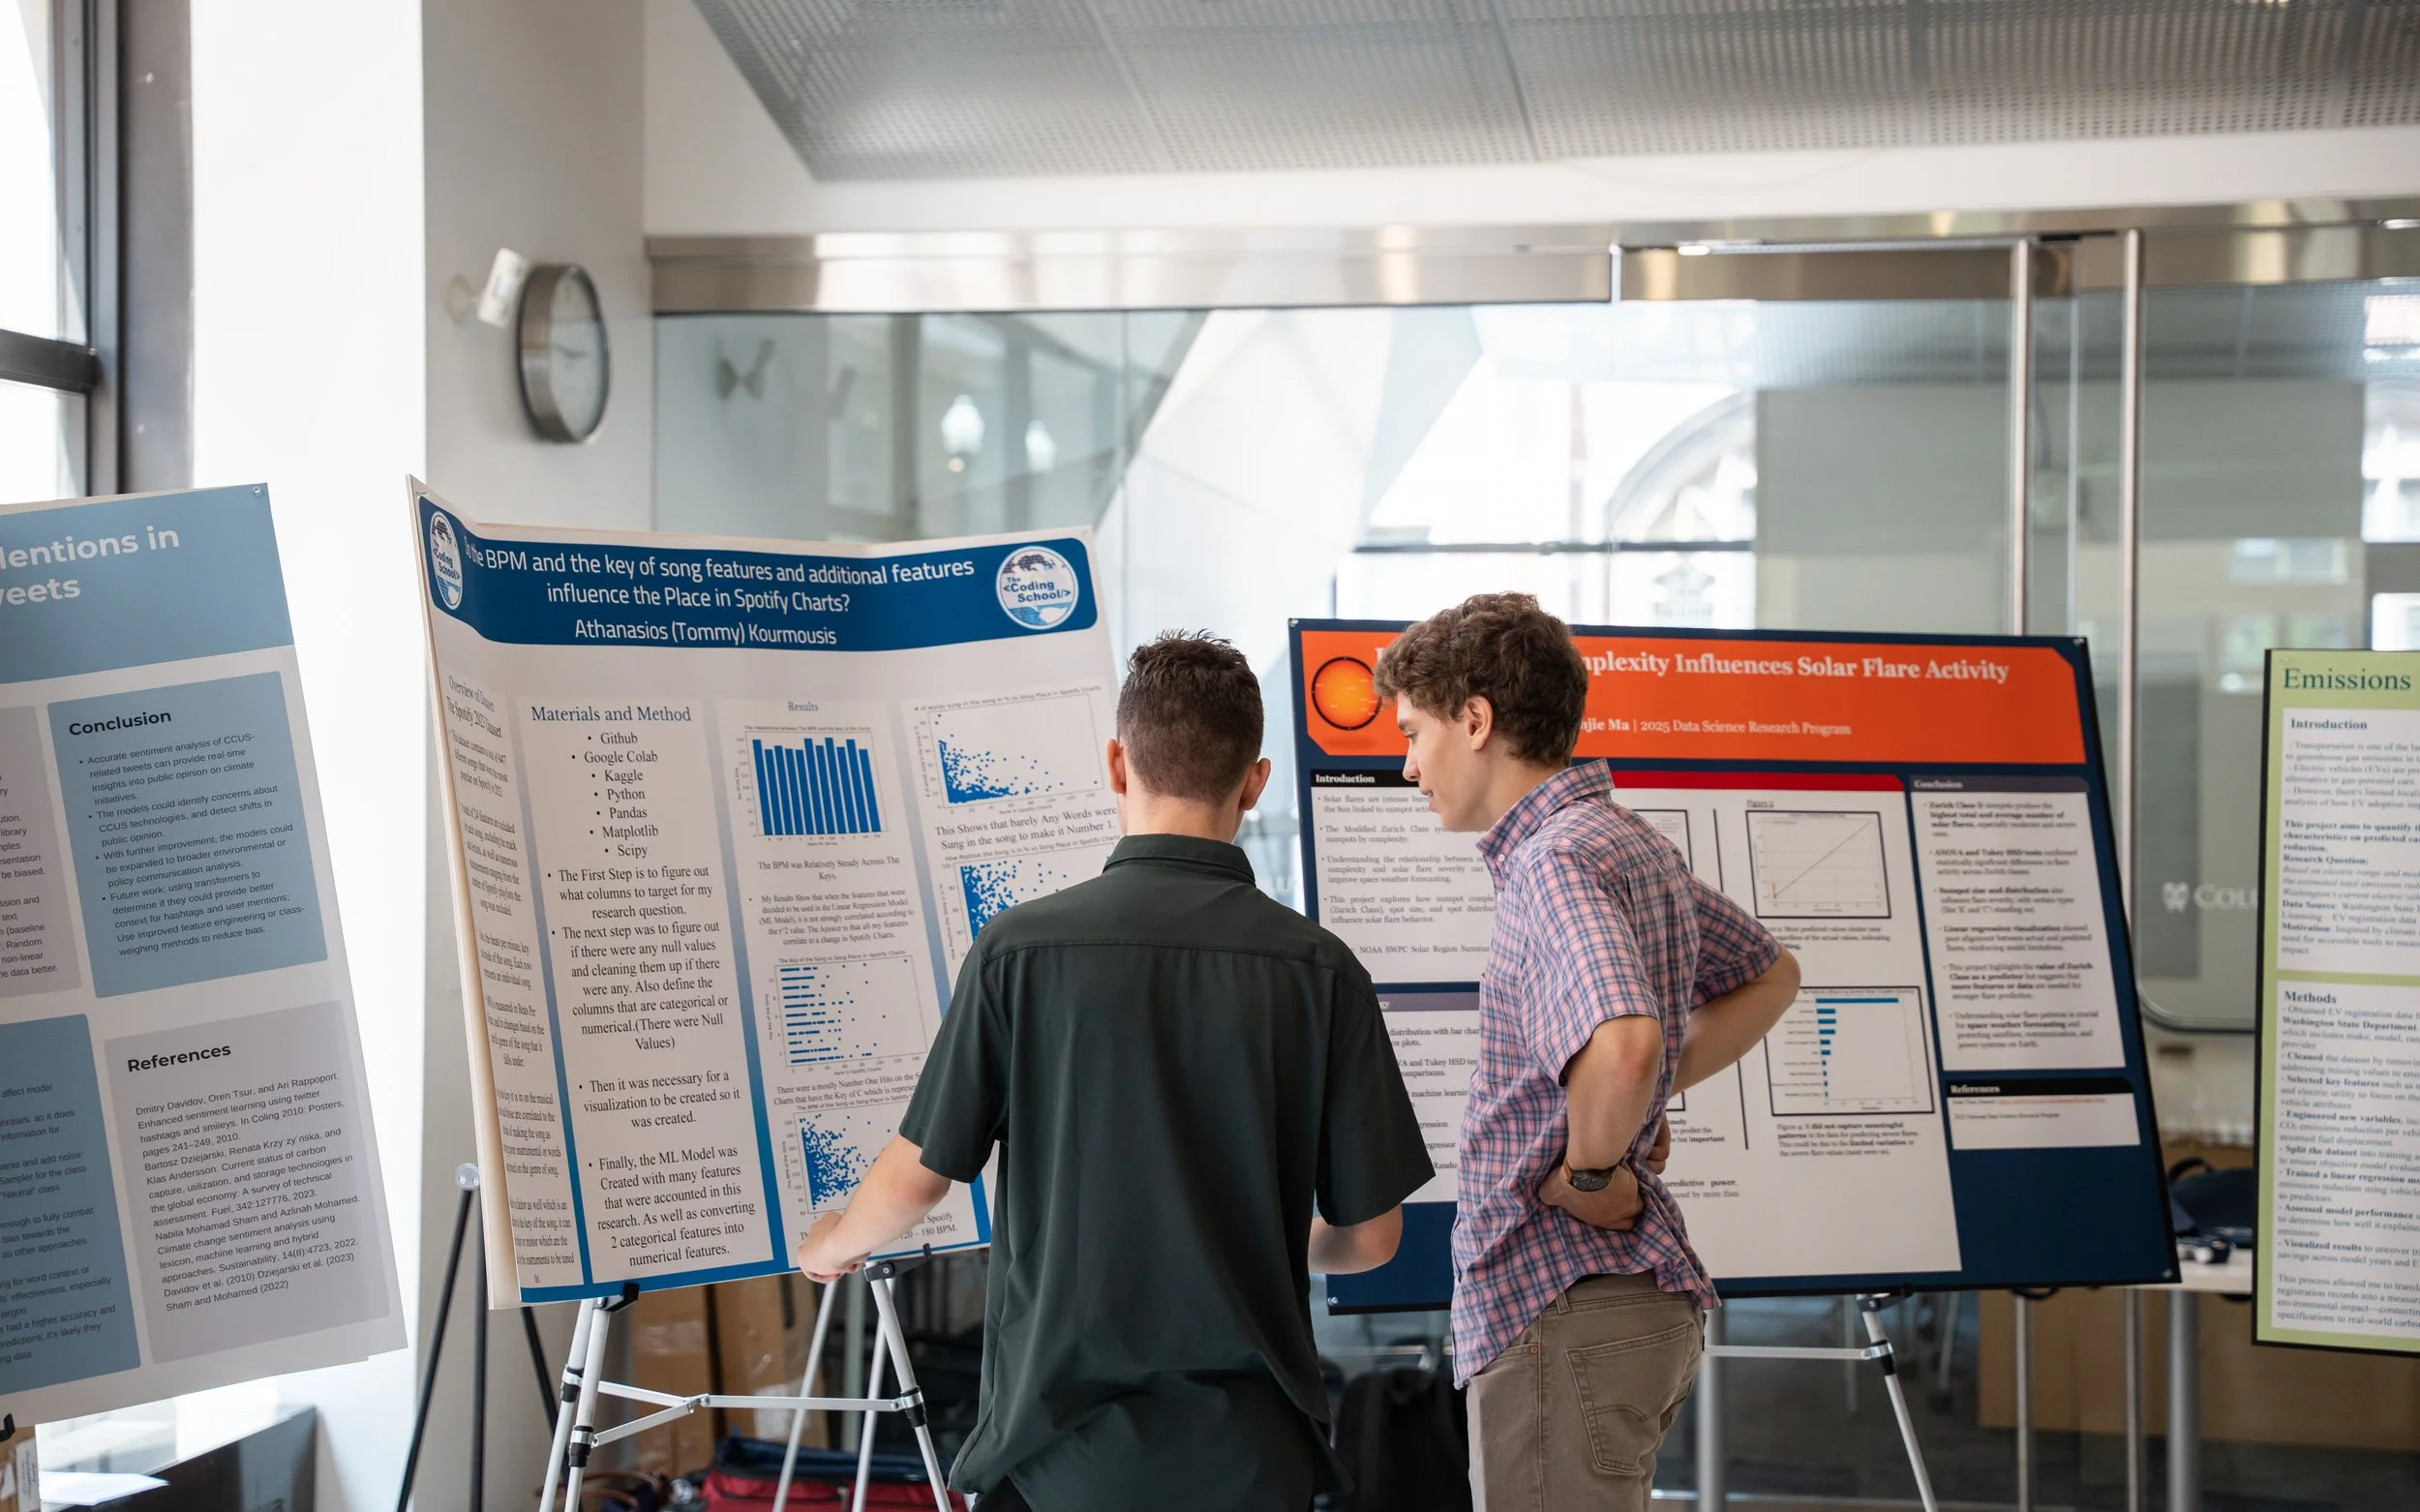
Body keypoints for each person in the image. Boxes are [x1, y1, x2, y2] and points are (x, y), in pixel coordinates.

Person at [797, 631, 1435, 1512]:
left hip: (1056, 1454)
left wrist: (830, 1243)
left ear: (1115, 763)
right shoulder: (1320, 970)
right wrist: (1256, 1233)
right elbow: (1371, 1241)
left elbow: (919, 1179)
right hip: (1250, 1457)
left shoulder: (1020, 951)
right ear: (1255, 782)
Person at [1373, 593, 1802, 1511]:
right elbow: (1771, 976)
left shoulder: (1553, 863)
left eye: (1414, 732)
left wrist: (1594, 1168)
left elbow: (1626, 1039)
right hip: (1605, 1306)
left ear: (1476, 721)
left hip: (1560, 1296)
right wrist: (1626, 1104)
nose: (1408, 766)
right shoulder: (1625, 842)